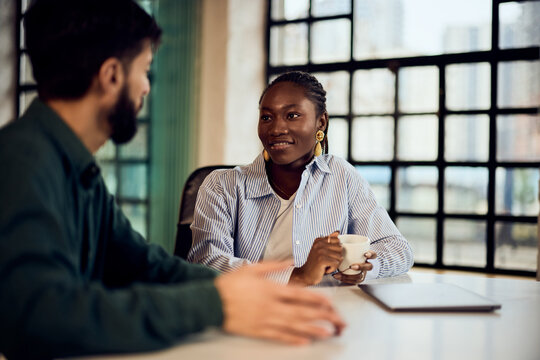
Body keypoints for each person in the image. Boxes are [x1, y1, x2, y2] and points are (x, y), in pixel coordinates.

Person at [0, 2, 345, 359]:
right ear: (112, 76)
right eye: (145, 71)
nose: (146, 89)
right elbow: (39, 316)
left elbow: (144, 265)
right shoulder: (22, 161)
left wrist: (240, 288)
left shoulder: (73, 167)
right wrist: (215, 304)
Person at [188, 71, 414, 286]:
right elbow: (207, 263)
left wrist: (365, 267)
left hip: (328, 313)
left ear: (321, 123)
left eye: (292, 115)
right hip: (251, 313)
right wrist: (296, 276)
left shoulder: (341, 176)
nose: (276, 128)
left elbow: (398, 249)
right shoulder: (222, 185)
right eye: (267, 117)